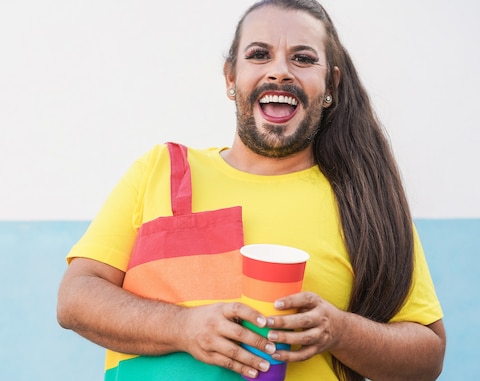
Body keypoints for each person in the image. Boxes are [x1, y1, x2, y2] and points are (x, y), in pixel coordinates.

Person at [57, 1, 446, 380]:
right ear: (231, 77)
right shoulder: (160, 171)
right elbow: (76, 297)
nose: (279, 72)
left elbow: (427, 356)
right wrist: (182, 326)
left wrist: (340, 331)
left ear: (331, 84)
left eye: (303, 58)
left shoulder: (363, 203)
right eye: (259, 54)